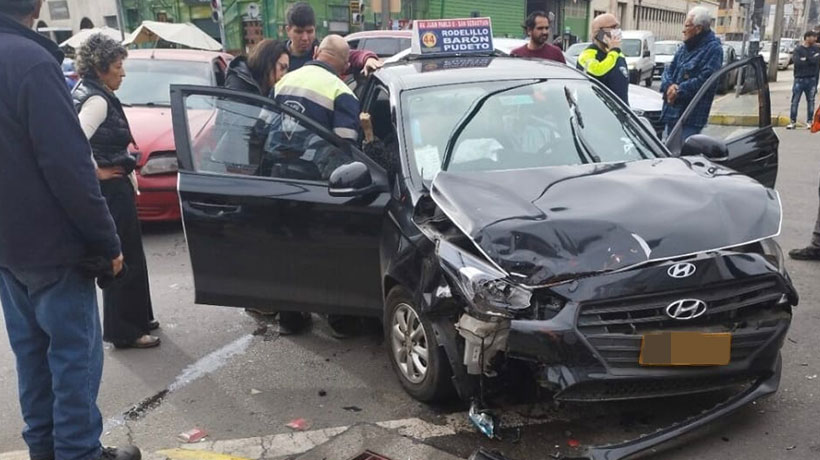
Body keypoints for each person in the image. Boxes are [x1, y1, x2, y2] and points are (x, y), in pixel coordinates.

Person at [0, 1, 140, 459]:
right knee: (72, 365)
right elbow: (69, 165)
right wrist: (107, 241)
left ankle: (45, 450)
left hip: (11, 251)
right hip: (55, 251)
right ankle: (78, 453)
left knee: (34, 363)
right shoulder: (33, 63)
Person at [73, 34, 160, 349]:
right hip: (110, 189)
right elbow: (76, 140)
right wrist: (96, 171)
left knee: (132, 253)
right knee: (123, 258)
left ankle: (140, 318)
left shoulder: (93, 92)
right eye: (118, 66)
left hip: (115, 186)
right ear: (101, 67)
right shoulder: (96, 100)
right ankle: (126, 331)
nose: (123, 73)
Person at [273, 35, 361, 337]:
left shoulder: (285, 81)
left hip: (279, 177)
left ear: (315, 52)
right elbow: (346, 149)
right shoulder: (341, 91)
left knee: (286, 248)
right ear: (345, 65)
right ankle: (339, 320)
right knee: (328, 251)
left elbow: (264, 126)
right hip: (317, 181)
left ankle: (290, 318)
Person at [660, 6, 723, 140]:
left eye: (687, 26)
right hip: (671, 114)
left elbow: (705, 81)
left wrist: (678, 91)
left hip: (690, 117)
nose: (683, 30)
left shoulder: (713, 49)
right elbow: (669, 70)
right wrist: (669, 86)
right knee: (667, 154)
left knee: (683, 154)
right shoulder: (684, 47)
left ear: (698, 28)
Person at [285, 2, 382, 76]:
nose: (305, 38)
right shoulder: (278, 56)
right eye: (299, 32)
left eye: (310, 31)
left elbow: (353, 55)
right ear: (288, 30)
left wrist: (368, 59)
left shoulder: (324, 53)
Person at [577, 13, 629, 103]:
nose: (616, 31)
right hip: (598, 112)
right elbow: (597, 73)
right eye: (612, 28)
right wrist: (613, 51)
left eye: (617, 27)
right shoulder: (587, 55)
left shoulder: (618, 54)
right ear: (599, 33)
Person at [224, 39, 290, 97]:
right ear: (267, 63)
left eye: (286, 70)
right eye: (282, 67)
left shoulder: (270, 87)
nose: (284, 74)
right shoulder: (239, 83)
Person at [787, 31, 820, 129]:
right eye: (813, 37)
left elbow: (816, 61)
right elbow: (797, 62)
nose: (815, 39)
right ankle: (792, 122)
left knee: (811, 101)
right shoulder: (798, 49)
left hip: (812, 79)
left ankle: (809, 121)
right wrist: (810, 59)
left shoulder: (817, 49)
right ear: (807, 38)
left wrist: (806, 59)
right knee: (795, 101)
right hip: (799, 79)